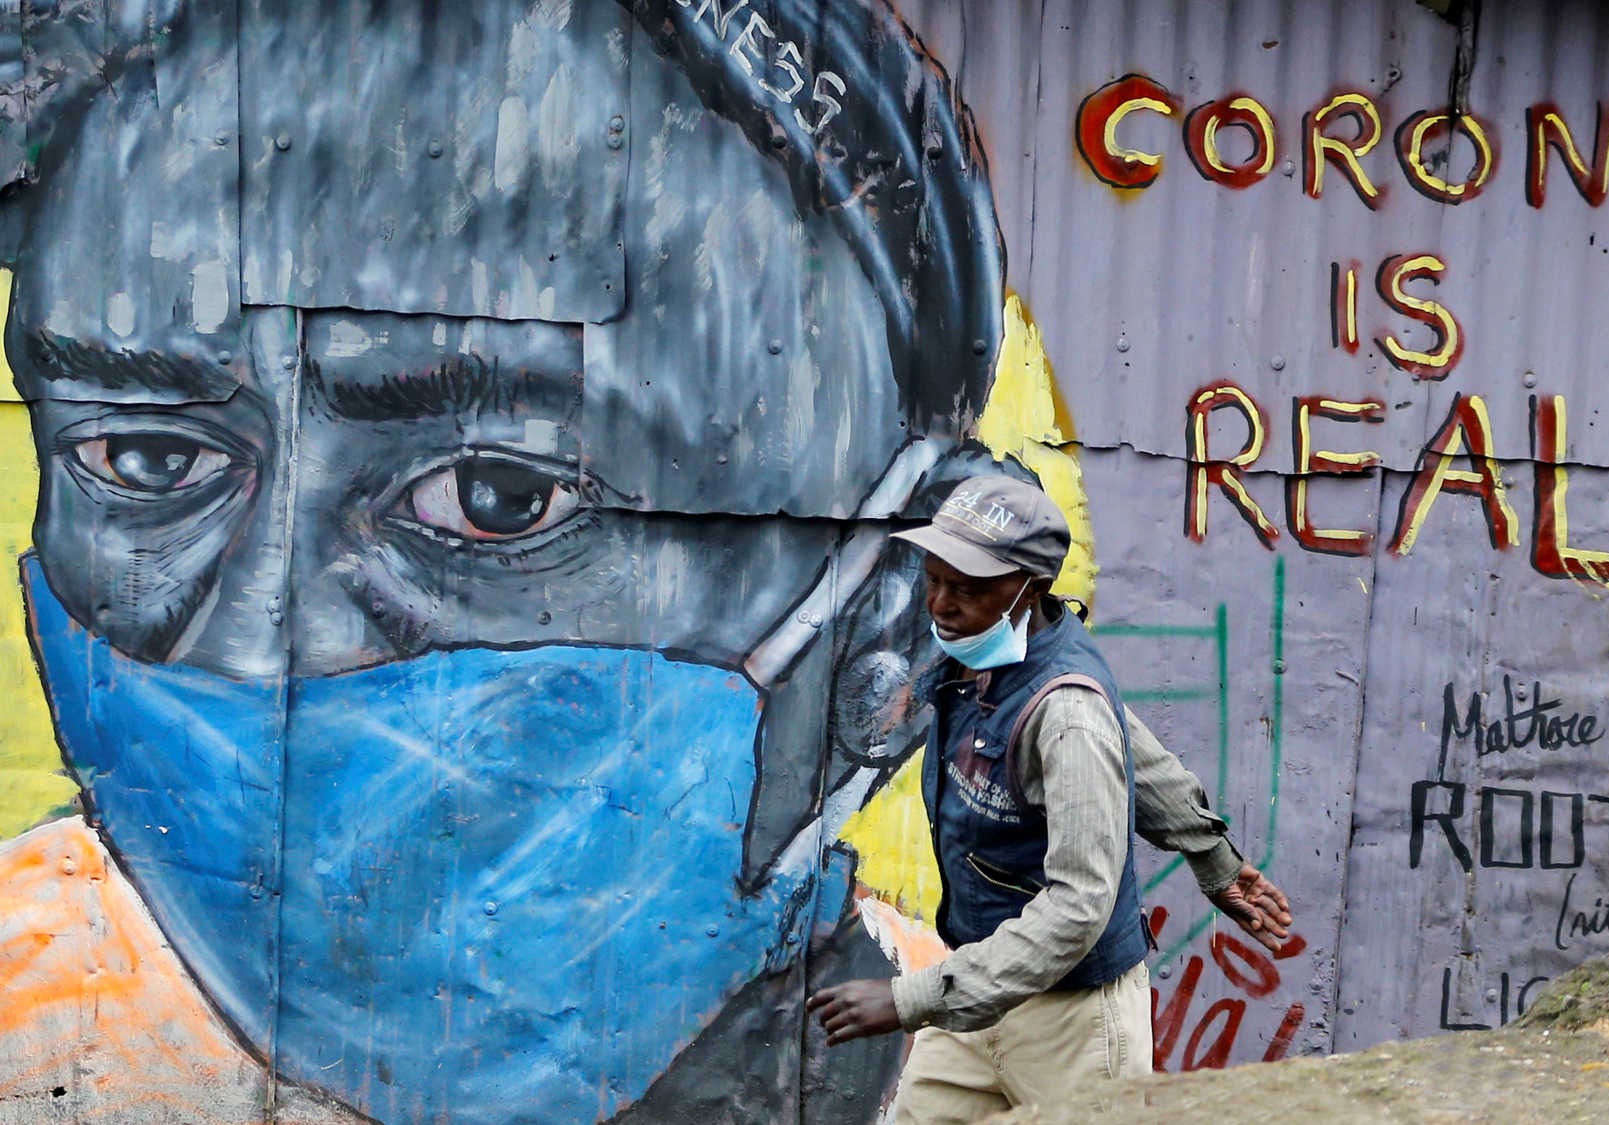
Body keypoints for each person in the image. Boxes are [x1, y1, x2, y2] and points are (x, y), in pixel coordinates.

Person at [0, 3, 1285, 1122]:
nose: (259, 632)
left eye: (498, 497)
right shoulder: (40, 998)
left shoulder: (1034, 719)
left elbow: (1107, 814)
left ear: (877, 634)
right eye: (147, 463)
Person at [809, 475, 1291, 1122]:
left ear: (1029, 589)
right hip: (979, 995)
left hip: (1074, 1022)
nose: (942, 605)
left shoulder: (1066, 713)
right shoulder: (979, 653)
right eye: (935, 580)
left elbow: (1079, 903)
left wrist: (908, 999)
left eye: (969, 589)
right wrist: (1213, 857)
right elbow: (1137, 750)